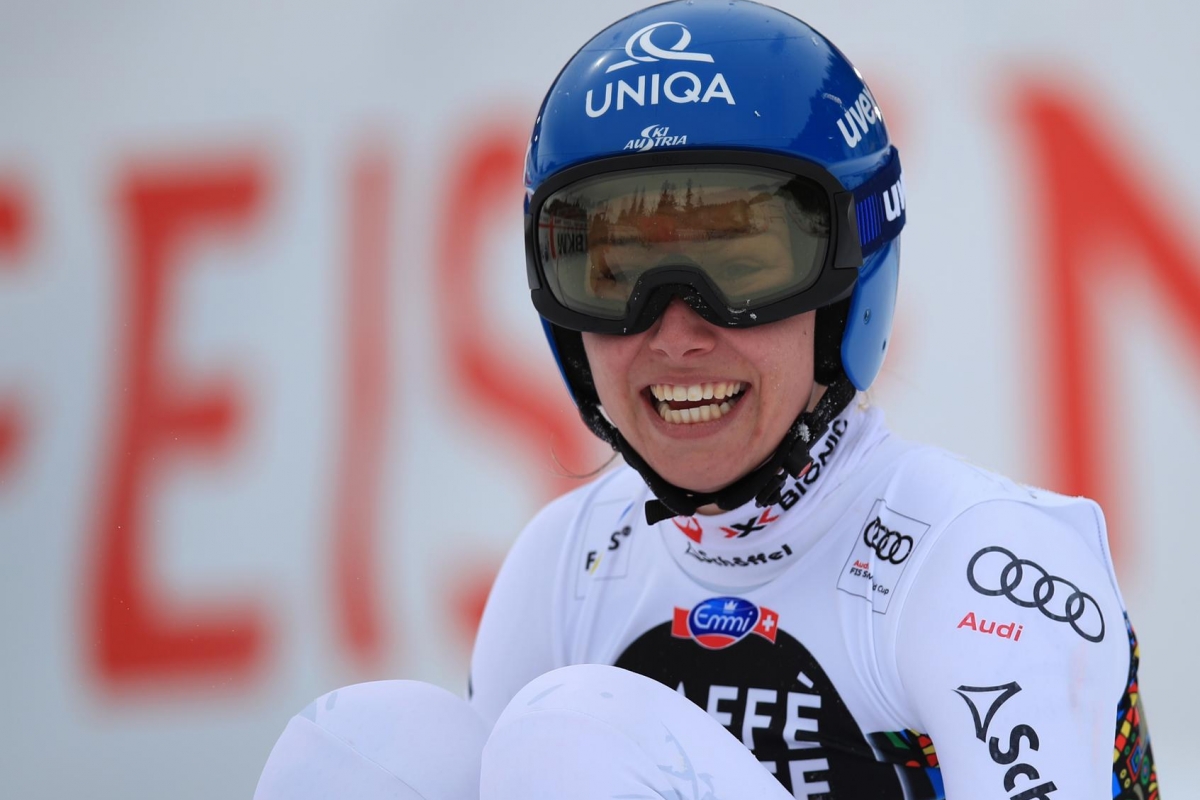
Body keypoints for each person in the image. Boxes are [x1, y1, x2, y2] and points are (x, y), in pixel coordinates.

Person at [255, 2, 1159, 798]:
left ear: (846, 282)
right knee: (354, 751)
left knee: (578, 740)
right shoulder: (569, 562)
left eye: (740, 259)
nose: (676, 331)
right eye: (612, 270)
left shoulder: (978, 561)